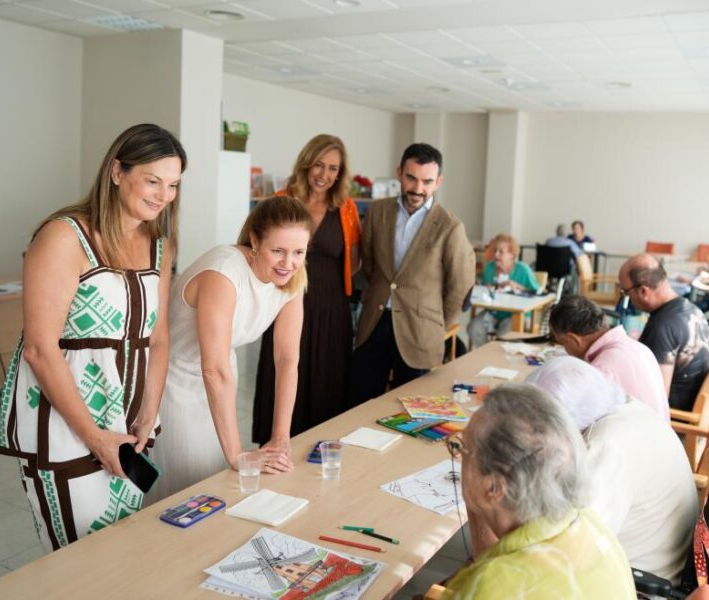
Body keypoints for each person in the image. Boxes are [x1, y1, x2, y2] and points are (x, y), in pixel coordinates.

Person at [0, 124, 185, 550]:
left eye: (172, 185)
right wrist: (95, 437)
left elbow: (158, 338)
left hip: (129, 428)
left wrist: (146, 418)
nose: (163, 195)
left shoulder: (161, 247)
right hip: (65, 427)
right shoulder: (64, 236)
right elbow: (41, 351)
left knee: (121, 555)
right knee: (77, 562)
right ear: (117, 171)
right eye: (153, 180)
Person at [150, 196, 310, 500]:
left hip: (221, 379)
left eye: (298, 252)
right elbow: (213, 368)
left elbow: (287, 359)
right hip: (175, 381)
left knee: (217, 481)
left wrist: (280, 438)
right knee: (188, 486)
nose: (288, 263)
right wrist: (237, 454)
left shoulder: (293, 277)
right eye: (278, 251)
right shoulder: (223, 272)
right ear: (255, 240)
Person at [443, 383, 635, 599]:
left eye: (461, 448)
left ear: (494, 487)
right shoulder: (591, 524)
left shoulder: (495, 585)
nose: (458, 457)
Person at [525, 357, 700, 581]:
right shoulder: (626, 407)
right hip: (655, 561)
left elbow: (570, 543)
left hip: (641, 582)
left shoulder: (607, 446)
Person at [252, 134, 361, 444]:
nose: (324, 175)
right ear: (306, 163)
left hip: (330, 310)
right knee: (283, 371)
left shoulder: (347, 208)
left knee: (326, 382)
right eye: (318, 165)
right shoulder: (280, 200)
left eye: (332, 168)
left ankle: (319, 450)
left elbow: (353, 261)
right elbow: (257, 247)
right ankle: (276, 444)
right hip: (284, 301)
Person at [349, 143, 475, 405]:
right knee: (358, 403)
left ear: (438, 181)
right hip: (375, 322)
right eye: (411, 178)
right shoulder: (377, 212)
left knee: (411, 411)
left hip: (420, 331)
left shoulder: (450, 226)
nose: (418, 189)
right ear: (399, 173)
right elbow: (370, 265)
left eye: (427, 181)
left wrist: (436, 322)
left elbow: (460, 285)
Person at [549, 295, 669, 420]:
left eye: (564, 343)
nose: (565, 349)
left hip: (634, 437)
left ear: (573, 339)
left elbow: (579, 421)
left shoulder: (601, 368)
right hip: (659, 435)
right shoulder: (638, 348)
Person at [618, 254, 709, 411]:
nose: (627, 299)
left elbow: (655, 398)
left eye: (626, 293)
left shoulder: (662, 326)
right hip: (689, 403)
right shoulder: (690, 308)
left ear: (643, 291)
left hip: (674, 420)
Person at [467, 233, 541, 348]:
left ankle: (495, 356)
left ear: (512, 254)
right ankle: (486, 355)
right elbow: (486, 290)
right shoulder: (489, 267)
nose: (496, 254)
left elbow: (538, 293)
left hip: (516, 315)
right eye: (495, 250)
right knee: (474, 328)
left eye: (501, 251)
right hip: (493, 312)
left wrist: (516, 286)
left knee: (504, 336)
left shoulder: (523, 270)